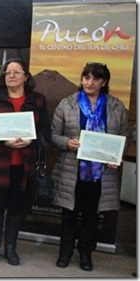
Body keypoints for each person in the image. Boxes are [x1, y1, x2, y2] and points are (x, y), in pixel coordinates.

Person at [0, 58, 51, 266]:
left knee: (17, 207)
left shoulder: (38, 100)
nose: (12, 76)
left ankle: (11, 248)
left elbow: (45, 132)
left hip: (24, 164)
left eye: (16, 72)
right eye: (7, 73)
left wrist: (31, 140)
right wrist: (3, 139)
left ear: (26, 76)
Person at [51, 62, 128, 271]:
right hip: (71, 170)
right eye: (86, 78)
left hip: (101, 173)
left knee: (91, 215)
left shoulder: (116, 107)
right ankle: (64, 253)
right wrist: (67, 142)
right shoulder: (67, 104)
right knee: (69, 213)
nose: (90, 82)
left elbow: (123, 137)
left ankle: (86, 254)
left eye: (95, 79)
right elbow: (54, 135)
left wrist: (117, 155)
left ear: (104, 82)